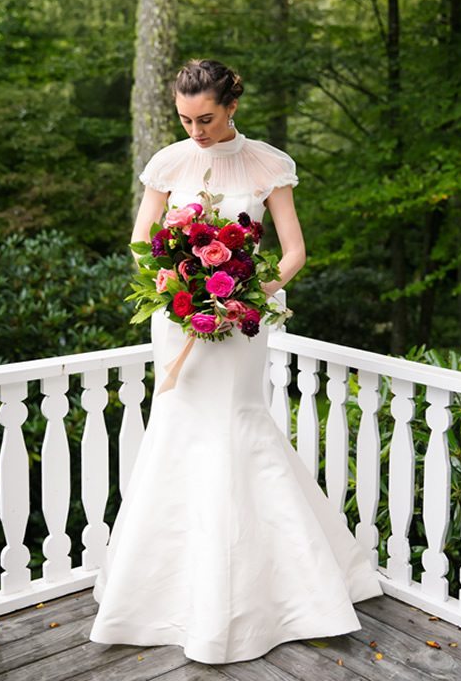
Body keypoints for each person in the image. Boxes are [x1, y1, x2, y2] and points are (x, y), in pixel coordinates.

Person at [89, 58, 383, 664]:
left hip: (243, 321)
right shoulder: (168, 163)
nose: (194, 130)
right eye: (184, 119)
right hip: (176, 319)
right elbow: (143, 241)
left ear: (231, 108)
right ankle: (163, 593)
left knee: (237, 430)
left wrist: (247, 295)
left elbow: (295, 251)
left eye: (206, 118)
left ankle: (281, 592)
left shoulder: (267, 163)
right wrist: (180, 286)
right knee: (179, 431)